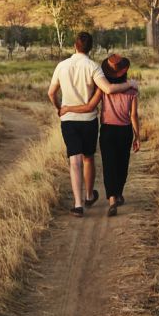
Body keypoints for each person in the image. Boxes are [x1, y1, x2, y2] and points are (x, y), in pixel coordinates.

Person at [47, 31, 136, 217]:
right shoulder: (94, 67)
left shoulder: (62, 66)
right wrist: (130, 85)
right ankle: (89, 195)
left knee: (74, 160)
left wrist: (59, 108)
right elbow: (109, 89)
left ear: (74, 46)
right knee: (88, 158)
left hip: (68, 120)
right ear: (91, 48)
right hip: (88, 121)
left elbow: (51, 92)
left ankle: (78, 205)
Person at [80, 53, 139, 216]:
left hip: (107, 130)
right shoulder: (132, 90)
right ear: (125, 71)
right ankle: (119, 193)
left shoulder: (103, 90)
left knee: (109, 165)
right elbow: (133, 115)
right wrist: (137, 136)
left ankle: (112, 199)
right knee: (122, 164)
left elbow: (91, 104)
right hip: (125, 130)